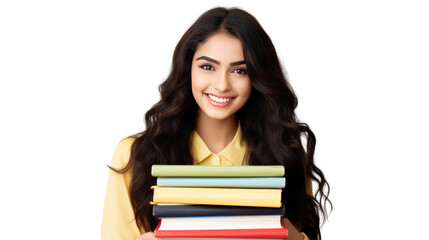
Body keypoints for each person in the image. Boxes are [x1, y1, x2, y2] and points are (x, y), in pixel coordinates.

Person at [101, 7, 331, 240]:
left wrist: (294, 237)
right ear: (187, 68)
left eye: (240, 70)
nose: (222, 85)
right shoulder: (133, 155)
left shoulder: (284, 154)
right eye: (208, 67)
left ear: (257, 78)